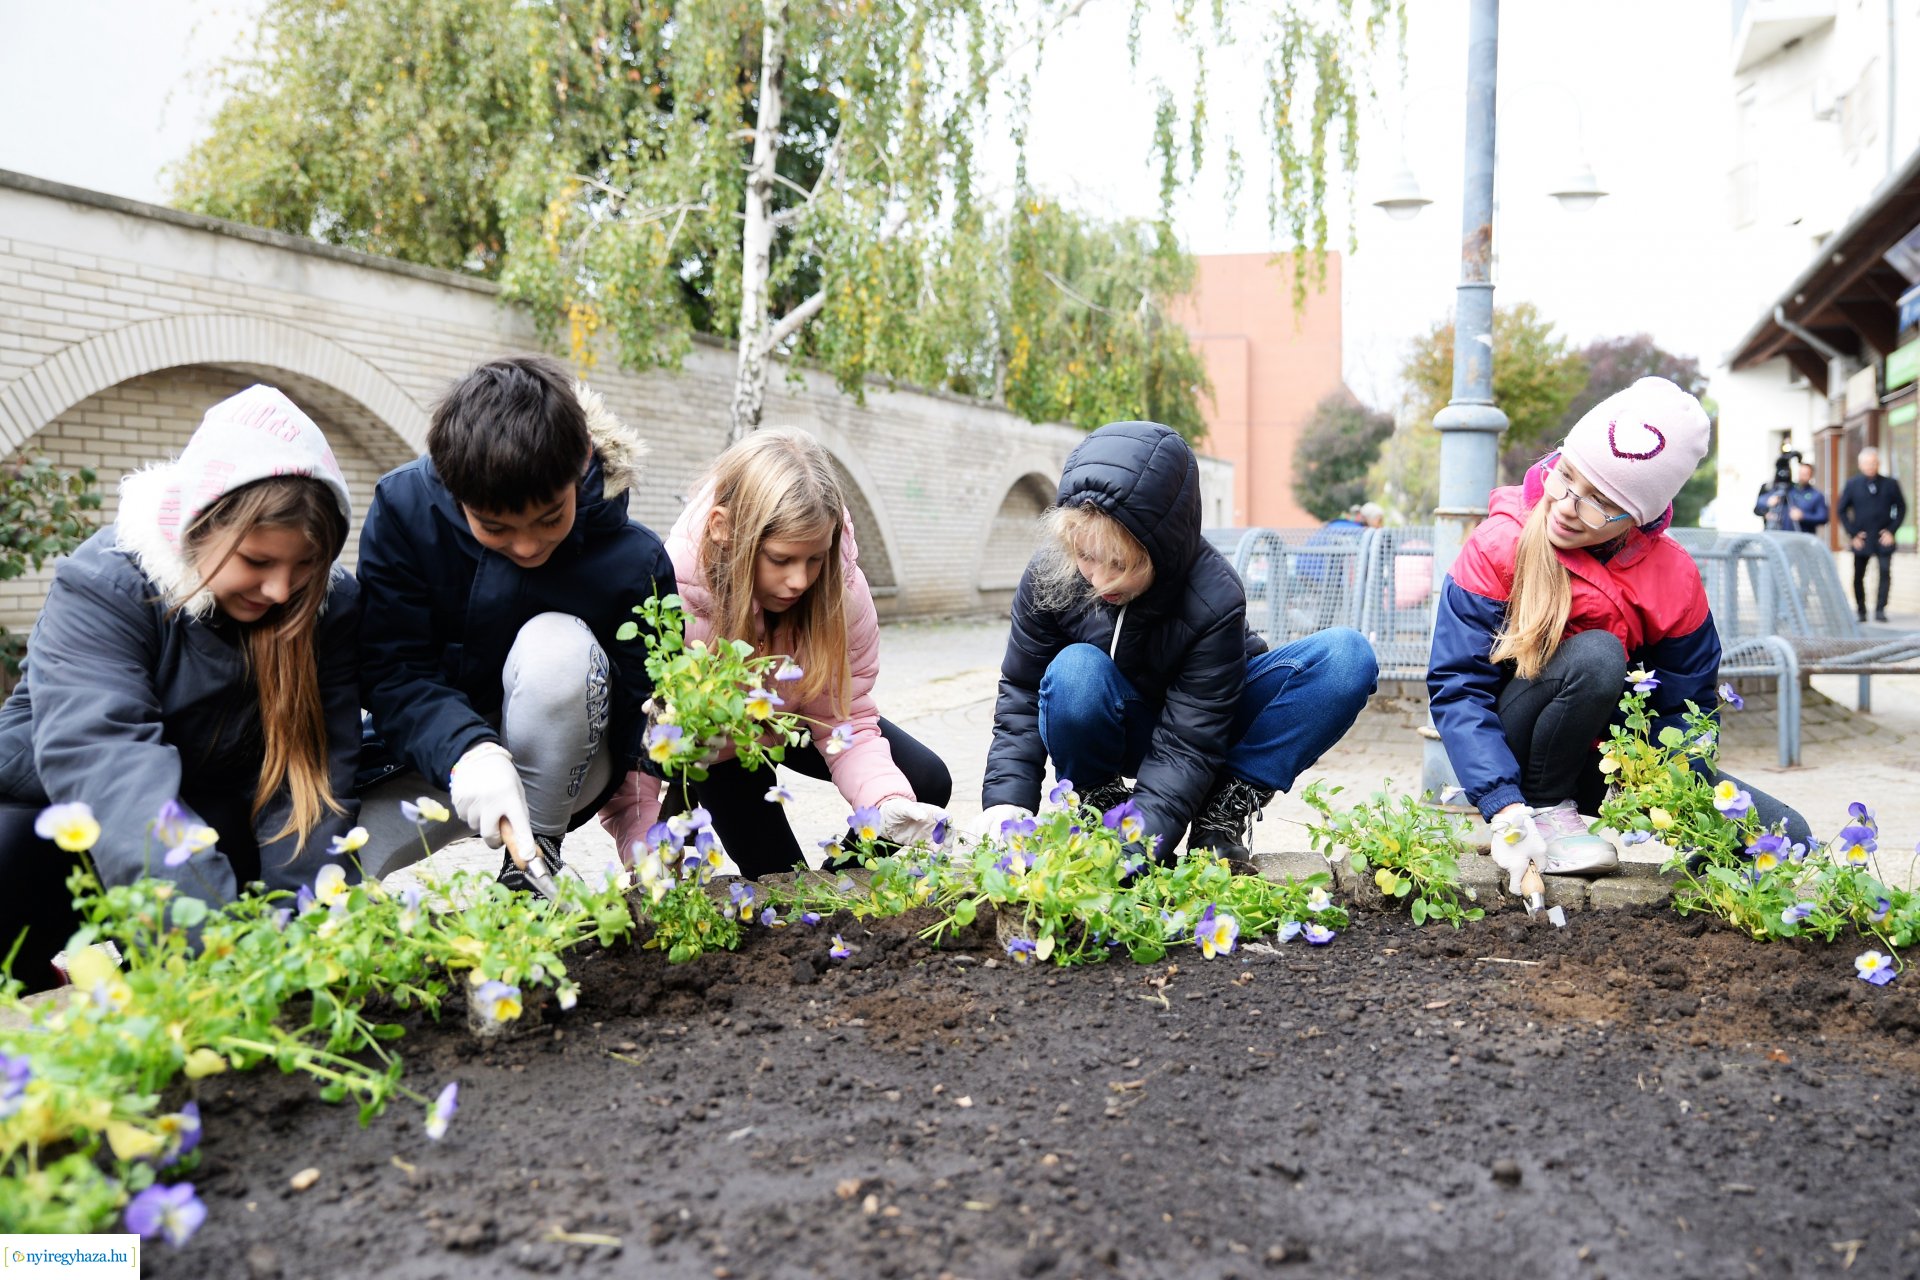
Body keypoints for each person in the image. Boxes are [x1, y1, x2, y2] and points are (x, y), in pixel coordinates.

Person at [0, 386, 362, 989]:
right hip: (52, 810)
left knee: (232, 831)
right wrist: (220, 957)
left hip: (202, 805)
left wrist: (301, 948)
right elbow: (112, 769)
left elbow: (312, 783)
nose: (280, 590)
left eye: (302, 567)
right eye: (256, 560)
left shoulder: (327, 607)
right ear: (199, 526)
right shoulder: (107, 584)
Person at [1429, 377, 1812, 895]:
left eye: (1597, 501)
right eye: (1565, 478)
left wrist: (1677, 801)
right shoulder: (1503, 543)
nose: (1565, 505)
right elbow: (1458, 686)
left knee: (1786, 836)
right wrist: (1504, 806)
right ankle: (1544, 813)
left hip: (1610, 758)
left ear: (1640, 516)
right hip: (1514, 749)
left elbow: (1687, 705)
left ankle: (1704, 885)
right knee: (1597, 655)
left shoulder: (1672, 577)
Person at [978, 421, 1379, 868]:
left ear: (1161, 548)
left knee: (1347, 659)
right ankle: (1103, 809)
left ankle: (1219, 810)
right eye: (1086, 556)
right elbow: (1022, 690)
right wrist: (1007, 806)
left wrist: (1137, 849)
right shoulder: (1051, 577)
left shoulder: (1214, 595)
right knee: (1074, 672)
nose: (1099, 578)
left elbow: (1188, 742)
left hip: (1209, 723)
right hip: (1119, 722)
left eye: (1119, 562)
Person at [354, 355, 674, 889]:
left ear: (582, 460)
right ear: (456, 493)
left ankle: (532, 867)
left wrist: (645, 835)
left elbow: (648, 714)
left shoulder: (633, 561)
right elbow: (393, 670)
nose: (527, 545)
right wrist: (466, 750)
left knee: (557, 645)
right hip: (438, 759)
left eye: (551, 517)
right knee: (327, 877)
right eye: (495, 526)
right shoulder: (404, 508)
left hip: (566, 767)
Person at [597, 428, 950, 877]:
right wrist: (644, 841)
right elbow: (640, 745)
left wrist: (885, 802)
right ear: (726, 530)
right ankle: (803, 888)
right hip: (721, 755)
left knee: (924, 783)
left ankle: (842, 882)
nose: (801, 580)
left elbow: (848, 718)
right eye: (781, 559)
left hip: (796, 720)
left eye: (814, 559)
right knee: (781, 880)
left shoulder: (840, 591)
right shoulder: (674, 594)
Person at [1838, 447, 1905, 623]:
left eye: (1874, 463)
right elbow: (1841, 510)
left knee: (1884, 572)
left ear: (1879, 463)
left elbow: (1901, 507)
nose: (1870, 466)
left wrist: (1891, 531)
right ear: (1861, 465)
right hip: (1862, 539)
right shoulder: (1853, 484)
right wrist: (1853, 534)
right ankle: (1861, 610)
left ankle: (1880, 609)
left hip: (1883, 537)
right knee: (1858, 575)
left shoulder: (1890, 483)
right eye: (1867, 463)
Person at [1753, 452, 1827, 535]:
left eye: (1805, 474)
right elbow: (1759, 505)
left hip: (1803, 537)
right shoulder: (1789, 490)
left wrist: (1803, 516)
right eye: (1800, 473)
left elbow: (1823, 517)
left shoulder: (1816, 495)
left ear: (1811, 476)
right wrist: (1767, 505)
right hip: (1782, 535)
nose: (1801, 476)